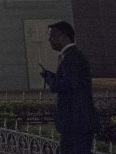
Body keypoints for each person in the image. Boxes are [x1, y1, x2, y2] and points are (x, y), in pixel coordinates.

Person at [40, 21, 100, 154]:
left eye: (52, 36)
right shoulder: (71, 55)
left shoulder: (71, 57)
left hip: (76, 122)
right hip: (76, 122)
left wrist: (50, 79)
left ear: (63, 36)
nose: (49, 40)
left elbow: (68, 85)